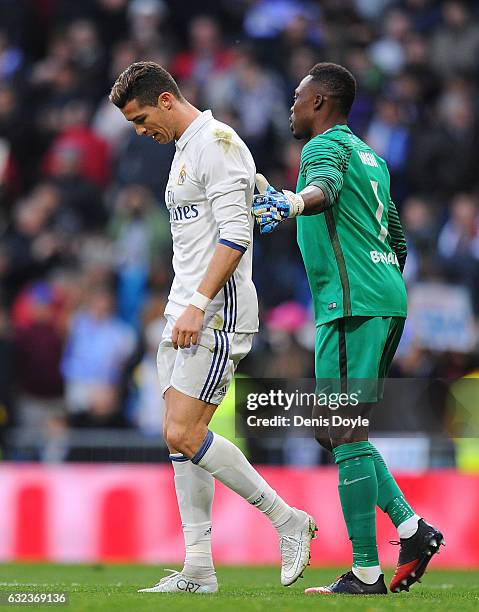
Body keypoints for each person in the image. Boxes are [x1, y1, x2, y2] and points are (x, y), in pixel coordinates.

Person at [109, 61, 317, 595]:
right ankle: (198, 567)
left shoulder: (218, 142)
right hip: (183, 309)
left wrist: (200, 303)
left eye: (139, 118)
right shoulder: (185, 150)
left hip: (215, 310)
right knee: (181, 441)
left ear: (165, 100)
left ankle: (287, 519)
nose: (139, 131)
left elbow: (234, 234)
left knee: (182, 431)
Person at [252, 62, 444, 595]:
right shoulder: (374, 158)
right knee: (337, 430)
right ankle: (411, 529)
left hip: (351, 306)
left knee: (343, 431)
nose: (291, 105)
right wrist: (377, 283)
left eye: (296, 96)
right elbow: (398, 242)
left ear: (319, 102)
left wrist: (293, 201)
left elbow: (325, 188)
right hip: (381, 300)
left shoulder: (321, 149)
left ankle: (366, 569)